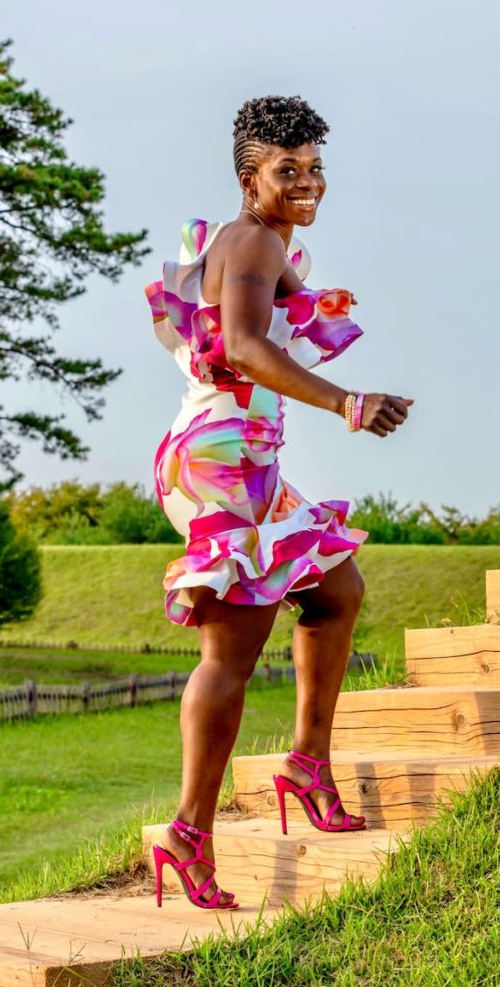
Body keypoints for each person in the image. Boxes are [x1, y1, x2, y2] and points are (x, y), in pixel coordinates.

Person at [145, 95, 413, 911]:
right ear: (248, 179)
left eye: (315, 168)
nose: (307, 183)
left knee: (337, 590)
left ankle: (306, 763)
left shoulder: (258, 242)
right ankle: (189, 835)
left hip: (238, 454)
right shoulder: (254, 237)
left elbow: (257, 319)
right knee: (232, 648)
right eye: (287, 171)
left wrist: (318, 308)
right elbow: (247, 345)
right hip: (221, 459)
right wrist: (346, 403)